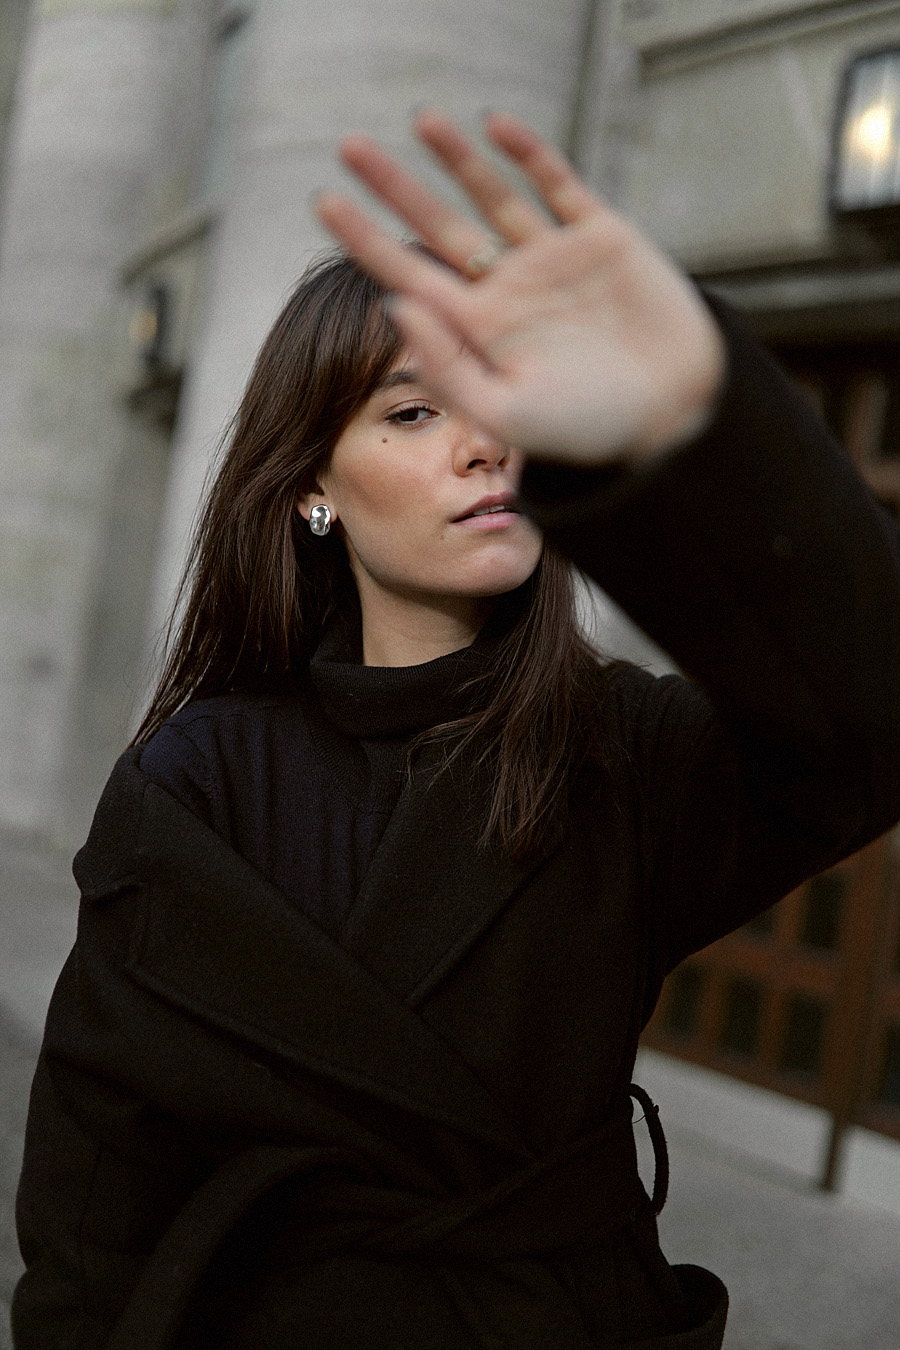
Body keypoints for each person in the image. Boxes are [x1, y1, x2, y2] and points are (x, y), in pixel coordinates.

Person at [11, 112, 900, 1350]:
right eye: (413, 414)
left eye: (494, 404)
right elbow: (92, 1208)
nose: (484, 444)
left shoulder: (620, 752)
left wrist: (703, 410)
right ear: (313, 487)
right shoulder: (192, 784)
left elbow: (876, 709)